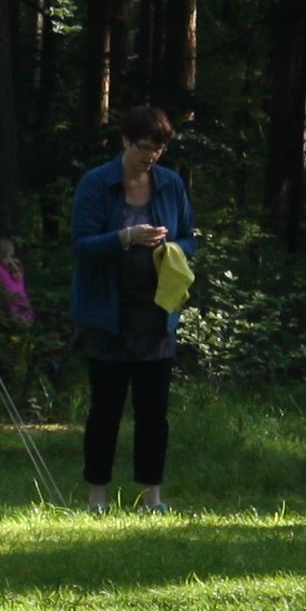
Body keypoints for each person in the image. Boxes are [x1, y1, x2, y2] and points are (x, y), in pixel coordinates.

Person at [68, 104, 195, 512]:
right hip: (107, 315)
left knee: (154, 412)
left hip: (156, 316)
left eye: (158, 149)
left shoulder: (171, 184)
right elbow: (82, 245)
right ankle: (98, 497)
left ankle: (151, 497)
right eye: (143, 147)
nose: (150, 156)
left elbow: (190, 239)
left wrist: (170, 246)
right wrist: (125, 237)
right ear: (125, 141)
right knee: (105, 409)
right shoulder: (95, 183)